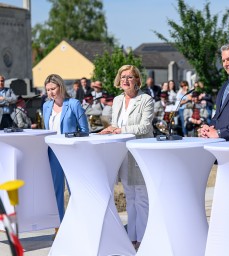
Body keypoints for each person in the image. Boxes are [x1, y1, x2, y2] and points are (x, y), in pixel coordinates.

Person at [99, 65, 154, 251]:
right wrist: (109, 130)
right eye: (123, 77)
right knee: (130, 197)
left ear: (137, 80)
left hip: (139, 153)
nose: (125, 80)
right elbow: (115, 124)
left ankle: (145, 239)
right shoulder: (116, 100)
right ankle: (132, 237)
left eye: (130, 77)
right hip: (122, 154)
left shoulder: (146, 99)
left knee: (141, 198)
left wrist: (120, 130)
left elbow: (144, 127)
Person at [43, 74, 89, 236]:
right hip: (53, 153)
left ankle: (80, 224)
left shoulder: (74, 104)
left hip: (72, 154)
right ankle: (59, 227)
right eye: (48, 90)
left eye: (53, 89)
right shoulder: (46, 106)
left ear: (61, 87)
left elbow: (85, 131)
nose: (50, 92)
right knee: (56, 191)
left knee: (75, 190)